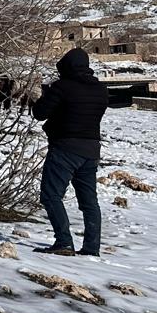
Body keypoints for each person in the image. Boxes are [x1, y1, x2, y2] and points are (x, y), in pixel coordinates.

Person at [30, 47, 109, 256]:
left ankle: (64, 242)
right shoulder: (101, 90)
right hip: (91, 150)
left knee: (51, 195)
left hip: (65, 148)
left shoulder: (62, 87)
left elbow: (39, 113)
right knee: (89, 202)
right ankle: (92, 248)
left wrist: (42, 96)